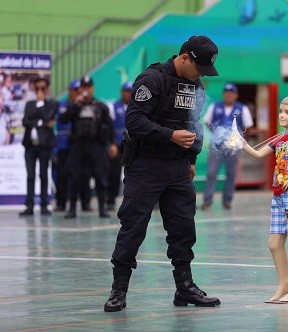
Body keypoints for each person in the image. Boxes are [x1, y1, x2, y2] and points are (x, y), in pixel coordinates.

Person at [104, 35, 221, 312]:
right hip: (146, 165)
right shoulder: (153, 79)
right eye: (198, 68)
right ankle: (118, 290)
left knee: (183, 228)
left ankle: (185, 288)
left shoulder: (196, 85)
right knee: (133, 227)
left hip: (178, 167)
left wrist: (191, 158)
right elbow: (133, 120)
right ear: (184, 58)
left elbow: (195, 124)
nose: (200, 75)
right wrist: (169, 136)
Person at [241, 95, 288, 303]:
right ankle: (285, 283)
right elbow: (256, 154)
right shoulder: (281, 137)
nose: (282, 115)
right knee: (274, 243)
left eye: (287, 112)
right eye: (281, 111)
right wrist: (242, 144)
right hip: (279, 194)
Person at [59, 75, 117, 219]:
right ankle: (72, 208)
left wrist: (113, 144)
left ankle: (102, 208)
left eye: (88, 87)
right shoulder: (74, 105)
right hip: (77, 144)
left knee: (100, 176)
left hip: (96, 145)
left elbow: (110, 126)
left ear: (92, 88)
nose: (86, 90)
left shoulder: (100, 106)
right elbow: (62, 119)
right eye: (83, 87)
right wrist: (75, 105)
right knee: (74, 176)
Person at [201, 83, 254, 210]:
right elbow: (207, 122)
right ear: (223, 94)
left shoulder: (242, 108)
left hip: (233, 148)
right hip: (216, 146)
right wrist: (217, 134)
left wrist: (240, 141)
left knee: (231, 174)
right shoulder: (215, 106)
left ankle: (227, 201)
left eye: (231, 93)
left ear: (236, 95)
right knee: (211, 173)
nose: (228, 95)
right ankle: (207, 201)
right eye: (226, 93)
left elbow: (249, 126)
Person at [19, 77, 58, 216]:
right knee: (30, 175)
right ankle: (29, 206)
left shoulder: (52, 103)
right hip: (30, 145)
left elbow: (48, 117)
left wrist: (41, 105)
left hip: (44, 145)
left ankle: (44, 205)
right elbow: (25, 121)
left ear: (47, 89)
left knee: (43, 175)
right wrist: (41, 123)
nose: (39, 91)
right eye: (37, 89)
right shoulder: (29, 104)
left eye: (42, 88)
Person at [54, 79, 92, 212]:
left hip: (79, 144)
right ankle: (61, 203)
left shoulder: (84, 105)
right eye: (74, 90)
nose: (77, 92)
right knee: (62, 175)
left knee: (84, 174)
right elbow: (61, 120)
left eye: (78, 90)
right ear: (69, 90)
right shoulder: (63, 105)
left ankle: (85, 203)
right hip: (64, 145)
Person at [106, 81, 133, 211]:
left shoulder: (136, 107)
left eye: (131, 91)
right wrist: (111, 144)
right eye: (127, 91)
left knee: (133, 174)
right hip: (117, 145)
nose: (129, 94)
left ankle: (132, 200)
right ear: (122, 92)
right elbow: (109, 127)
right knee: (113, 173)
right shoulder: (113, 107)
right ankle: (110, 200)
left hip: (132, 145)